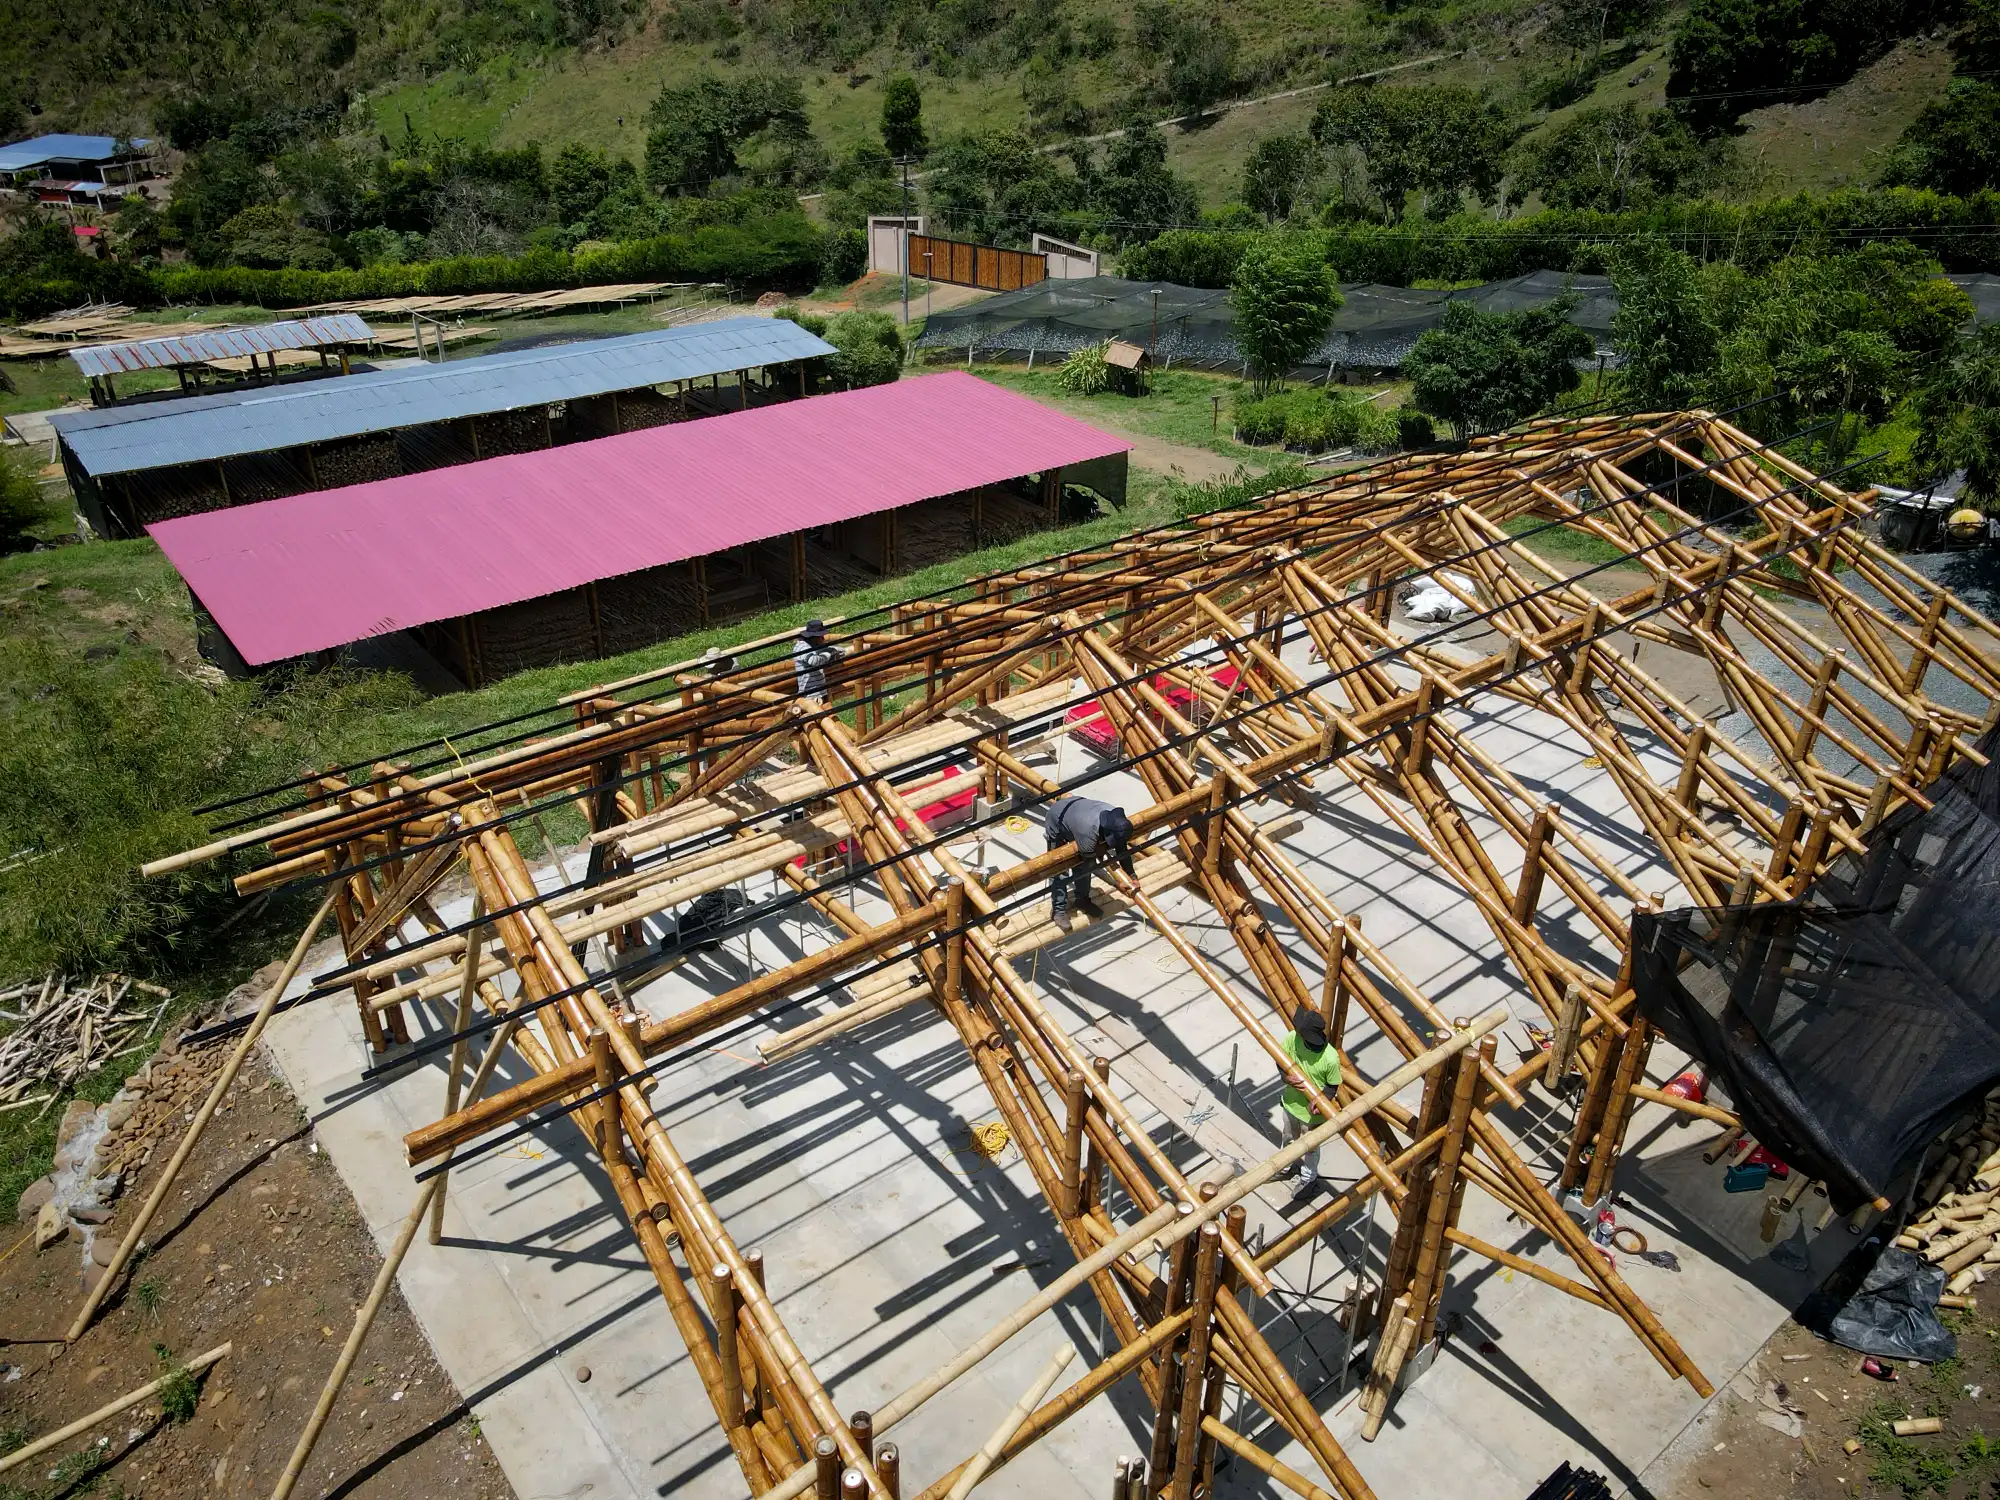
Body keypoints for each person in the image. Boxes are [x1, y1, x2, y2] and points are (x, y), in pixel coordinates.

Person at [1278, 1003, 1342, 1189]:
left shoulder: (1330, 1058)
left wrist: (1322, 1099)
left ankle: (1308, 1177)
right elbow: (1280, 1060)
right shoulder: (1293, 1038)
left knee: (1311, 1148)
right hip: (1291, 1103)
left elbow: (1332, 1085)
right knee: (1288, 1137)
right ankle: (1284, 1166)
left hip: (1312, 1115)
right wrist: (1286, 1077)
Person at [1043, 795, 1135, 922]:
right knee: (1060, 869)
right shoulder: (1088, 832)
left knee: (1083, 867)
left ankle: (1082, 900)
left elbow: (1122, 850)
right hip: (1057, 818)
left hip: (1076, 812)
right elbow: (1093, 866)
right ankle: (1059, 910)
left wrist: (1131, 875)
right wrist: (1116, 884)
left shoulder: (1116, 820)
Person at [793, 620, 841, 704]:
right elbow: (814, 661)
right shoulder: (801, 646)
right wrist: (828, 654)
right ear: (814, 637)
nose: (823, 639)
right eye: (820, 636)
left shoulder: (813, 647)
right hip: (810, 696)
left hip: (821, 693)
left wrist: (833, 650)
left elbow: (840, 651)